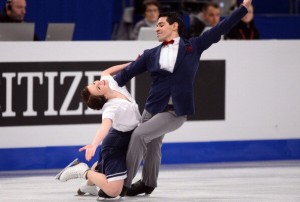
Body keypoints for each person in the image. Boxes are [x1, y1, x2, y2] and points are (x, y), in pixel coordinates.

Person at [106, 0, 253, 197]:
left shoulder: (193, 46)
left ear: (174, 25)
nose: (156, 29)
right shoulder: (150, 54)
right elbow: (125, 74)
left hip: (175, 110)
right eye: (156, 25)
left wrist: (243, 7)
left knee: (140, 135)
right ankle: (148, 183)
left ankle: (122, 185)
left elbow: (221, 27)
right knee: (153, 143)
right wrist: (103, 85)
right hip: (152, 108)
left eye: (161, 24)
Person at [56, 62, 141, 198]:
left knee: (102, 165)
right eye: (98, 87)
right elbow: (105, 126)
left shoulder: (110, 84)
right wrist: (94, 144)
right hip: (116, 145)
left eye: (94, 83)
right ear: (103, 97)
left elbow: (106, 72)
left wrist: (131, 63)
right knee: (114, 191)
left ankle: (89, 186)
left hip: (121, 139)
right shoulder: (111, 107)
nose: (98, 82)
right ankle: (82, 171)